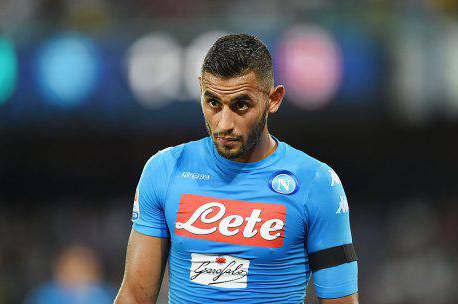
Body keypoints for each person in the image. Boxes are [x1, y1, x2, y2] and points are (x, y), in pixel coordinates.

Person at [115, 34, 358, 304]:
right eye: (213, 103)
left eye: (241, 105)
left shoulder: (317, 183)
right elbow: (135, 298)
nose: (224, 124)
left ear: (274, 99)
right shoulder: (164, 170)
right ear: (200, 92)